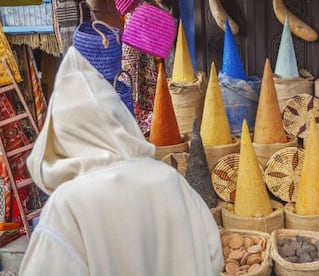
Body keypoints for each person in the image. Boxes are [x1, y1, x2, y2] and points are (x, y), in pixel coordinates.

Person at [19, 47, 224, 276]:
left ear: (60, 138)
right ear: (121, 120)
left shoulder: (68, 205)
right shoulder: (169, 178)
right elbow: (213, 256)